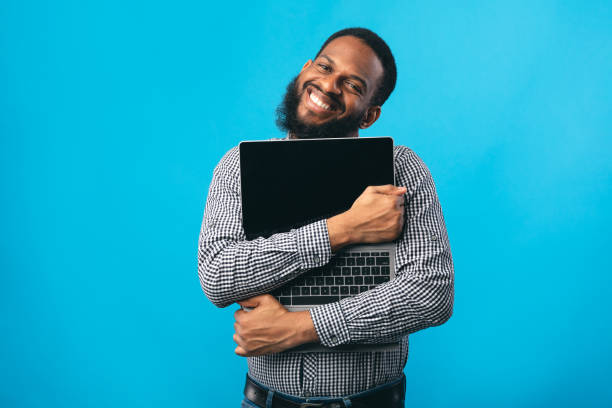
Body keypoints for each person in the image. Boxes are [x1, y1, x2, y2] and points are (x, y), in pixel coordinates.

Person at [198, 27, 454, 408]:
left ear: (370, 114)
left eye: (352, 84)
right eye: (324, 67)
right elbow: (218, 276)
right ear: (305, 70)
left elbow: (430, 293)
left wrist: (299, 329)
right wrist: (344, 228)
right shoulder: (239, 166)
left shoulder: (402, 170)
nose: (329, 85)